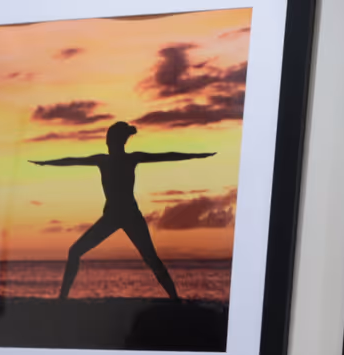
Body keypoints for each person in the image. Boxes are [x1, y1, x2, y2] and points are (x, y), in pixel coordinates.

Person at [32, 120, 214, 301]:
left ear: (115, 141)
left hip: (130, 216)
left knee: (151, 259)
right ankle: (62, 299)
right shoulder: (104, 160)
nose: (107, 142)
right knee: (76, 252)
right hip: (112, 217)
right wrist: (46, 163)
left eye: (110, 138)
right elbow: (71, 161)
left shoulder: (127, 159)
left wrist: (196, 155)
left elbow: (166, 155)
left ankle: (175, 300)